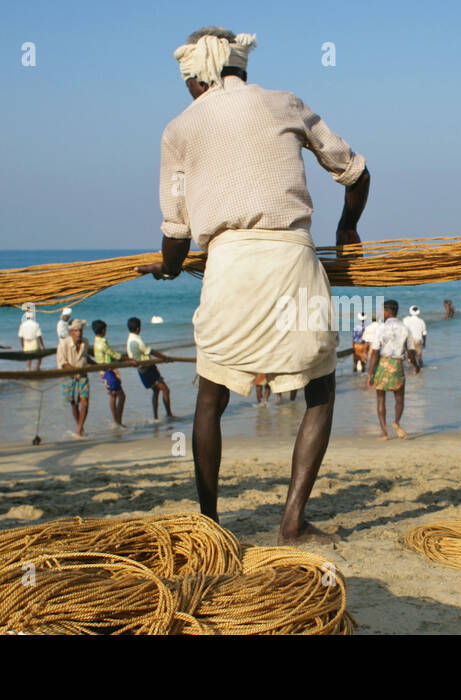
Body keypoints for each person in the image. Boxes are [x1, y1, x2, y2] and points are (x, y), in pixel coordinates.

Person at [136, 27, 370, 543]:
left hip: (228, 265)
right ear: (241, 65)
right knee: (321, 389)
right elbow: (355, 172)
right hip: (292, 257)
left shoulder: (179, 128)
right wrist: (346, 228)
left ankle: (210, 525)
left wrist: (170, 268)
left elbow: (175, 231)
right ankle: (291, 522)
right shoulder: (284, 103)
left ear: (196, 78)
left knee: (210, 398)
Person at [368, 300, 418, 440]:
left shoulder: (381, 328)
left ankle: (384, 432)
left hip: (382, 365)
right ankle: (396, 422)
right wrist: (416, 365)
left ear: (388, 312)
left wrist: (370, 373)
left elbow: (375, 353)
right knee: (399, 398)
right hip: (396, 365)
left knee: (380, 399)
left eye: (382, 311)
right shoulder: (405, 328)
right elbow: (411, 352)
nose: (381, 314)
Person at [126, 317, 174, 420]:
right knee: (165, 390)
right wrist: (164, 357)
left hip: (142, 369)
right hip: (148, 369)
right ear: (138, 328)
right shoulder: (137, 340)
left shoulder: (129, 339)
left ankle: (156, 417)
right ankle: (169, 414)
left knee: (156, 391)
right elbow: (150, 351)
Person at [56, 318, 92, 438]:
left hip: (82, 376)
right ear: (71, 332)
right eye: (76, 331)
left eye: (80, 330)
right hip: (69, 376)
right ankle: (80, 428)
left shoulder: (85, 342)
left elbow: (86, 357)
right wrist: (73, 369)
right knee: (74, 404)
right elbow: (62, 362)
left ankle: (79, 428)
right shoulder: (64, 343)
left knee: (85, 403)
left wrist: (98, 365)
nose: (79, 333)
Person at [90, 320, 125, 429]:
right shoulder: (102, 343)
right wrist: (126, 358)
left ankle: (117, 421)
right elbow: (113, 354)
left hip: (103, 371)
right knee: (121, 396)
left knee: (113, 395)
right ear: (103, 330)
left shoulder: (96, 342)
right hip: (108, 371)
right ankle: (118, 421)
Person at [18, 306, 44, 371]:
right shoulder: (35, 324)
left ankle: (28, 369)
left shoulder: (22, 325)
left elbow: (21, 337)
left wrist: (23, 346)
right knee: (40, 356)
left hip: (26, 344)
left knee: (29, 358)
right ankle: (37, 368)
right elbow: (39, 336)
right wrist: (43, 345)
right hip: (34, 344)